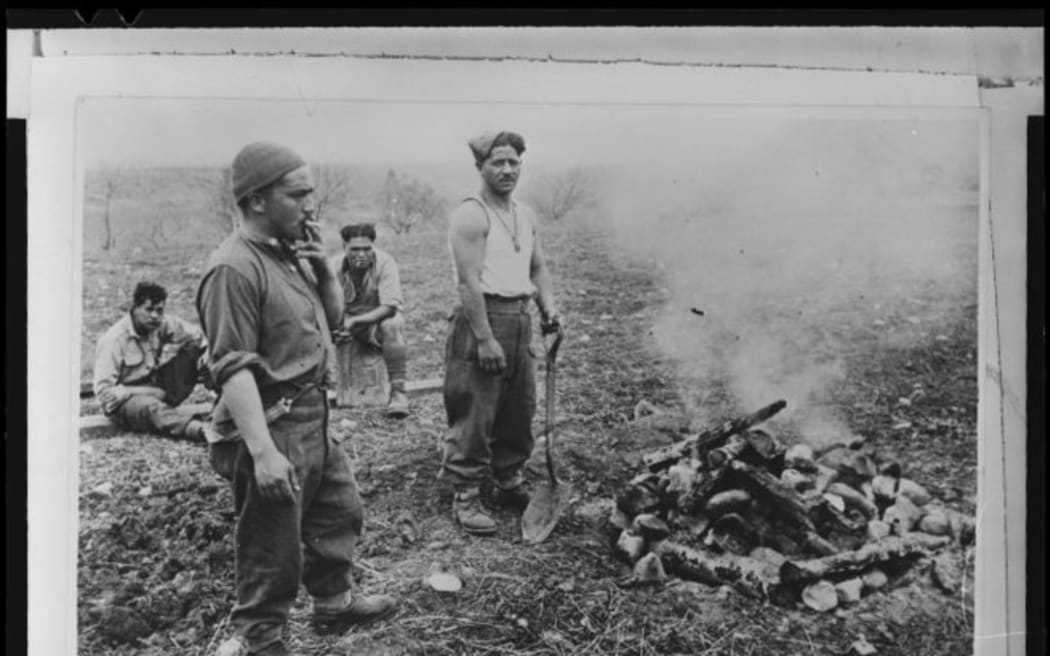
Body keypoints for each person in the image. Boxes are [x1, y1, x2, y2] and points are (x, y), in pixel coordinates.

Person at [196, 141, 396, 656]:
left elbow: (333, 324)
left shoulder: (290, 251)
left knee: (337, 511)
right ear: (258, 200)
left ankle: (333, 605)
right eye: (298, 194)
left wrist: (324, 273)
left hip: (312, 414)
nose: (312, 205)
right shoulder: (234, 269)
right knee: (272, 546)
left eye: (311, 193)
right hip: (271, 422)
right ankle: (261, 640)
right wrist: (262, 453)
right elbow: (232, 368)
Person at [441, 130, 562, 536]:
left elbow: (538, 268)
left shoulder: (525, 215)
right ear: (481, 167)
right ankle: (466, 493)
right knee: (476, 407)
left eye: (513, 162)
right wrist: (485, 338)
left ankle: (508, 478)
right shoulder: (471, 215)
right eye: (498, 162)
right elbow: (468, 282)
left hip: (520, 317)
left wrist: (548, 307)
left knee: (518, 405)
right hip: (483, 317)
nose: (508, 170)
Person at [92, 280, 211, 441]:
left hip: (156, 387)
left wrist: (206, 354)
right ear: (134, 308)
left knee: (197, 351)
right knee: (151, 408)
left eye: (159, 310)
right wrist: (134, 392)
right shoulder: (114, 340)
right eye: (148, 309)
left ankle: (226, 405)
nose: (155, 316)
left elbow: (198, 337)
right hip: (127, 402)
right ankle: (200, 430)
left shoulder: (160, 324)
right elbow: (105, 393)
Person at [332, 222, 410, 418]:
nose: (361, 254)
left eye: (366, 249)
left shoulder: (385, 263)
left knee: (392, 325)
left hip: (374, 322)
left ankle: (398, 392)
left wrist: (355, 322)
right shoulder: (332, 266)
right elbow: (323, 304)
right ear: (344, 247)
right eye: (355, 249)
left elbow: (389, 307)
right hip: (344, 321)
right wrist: (337, 325)